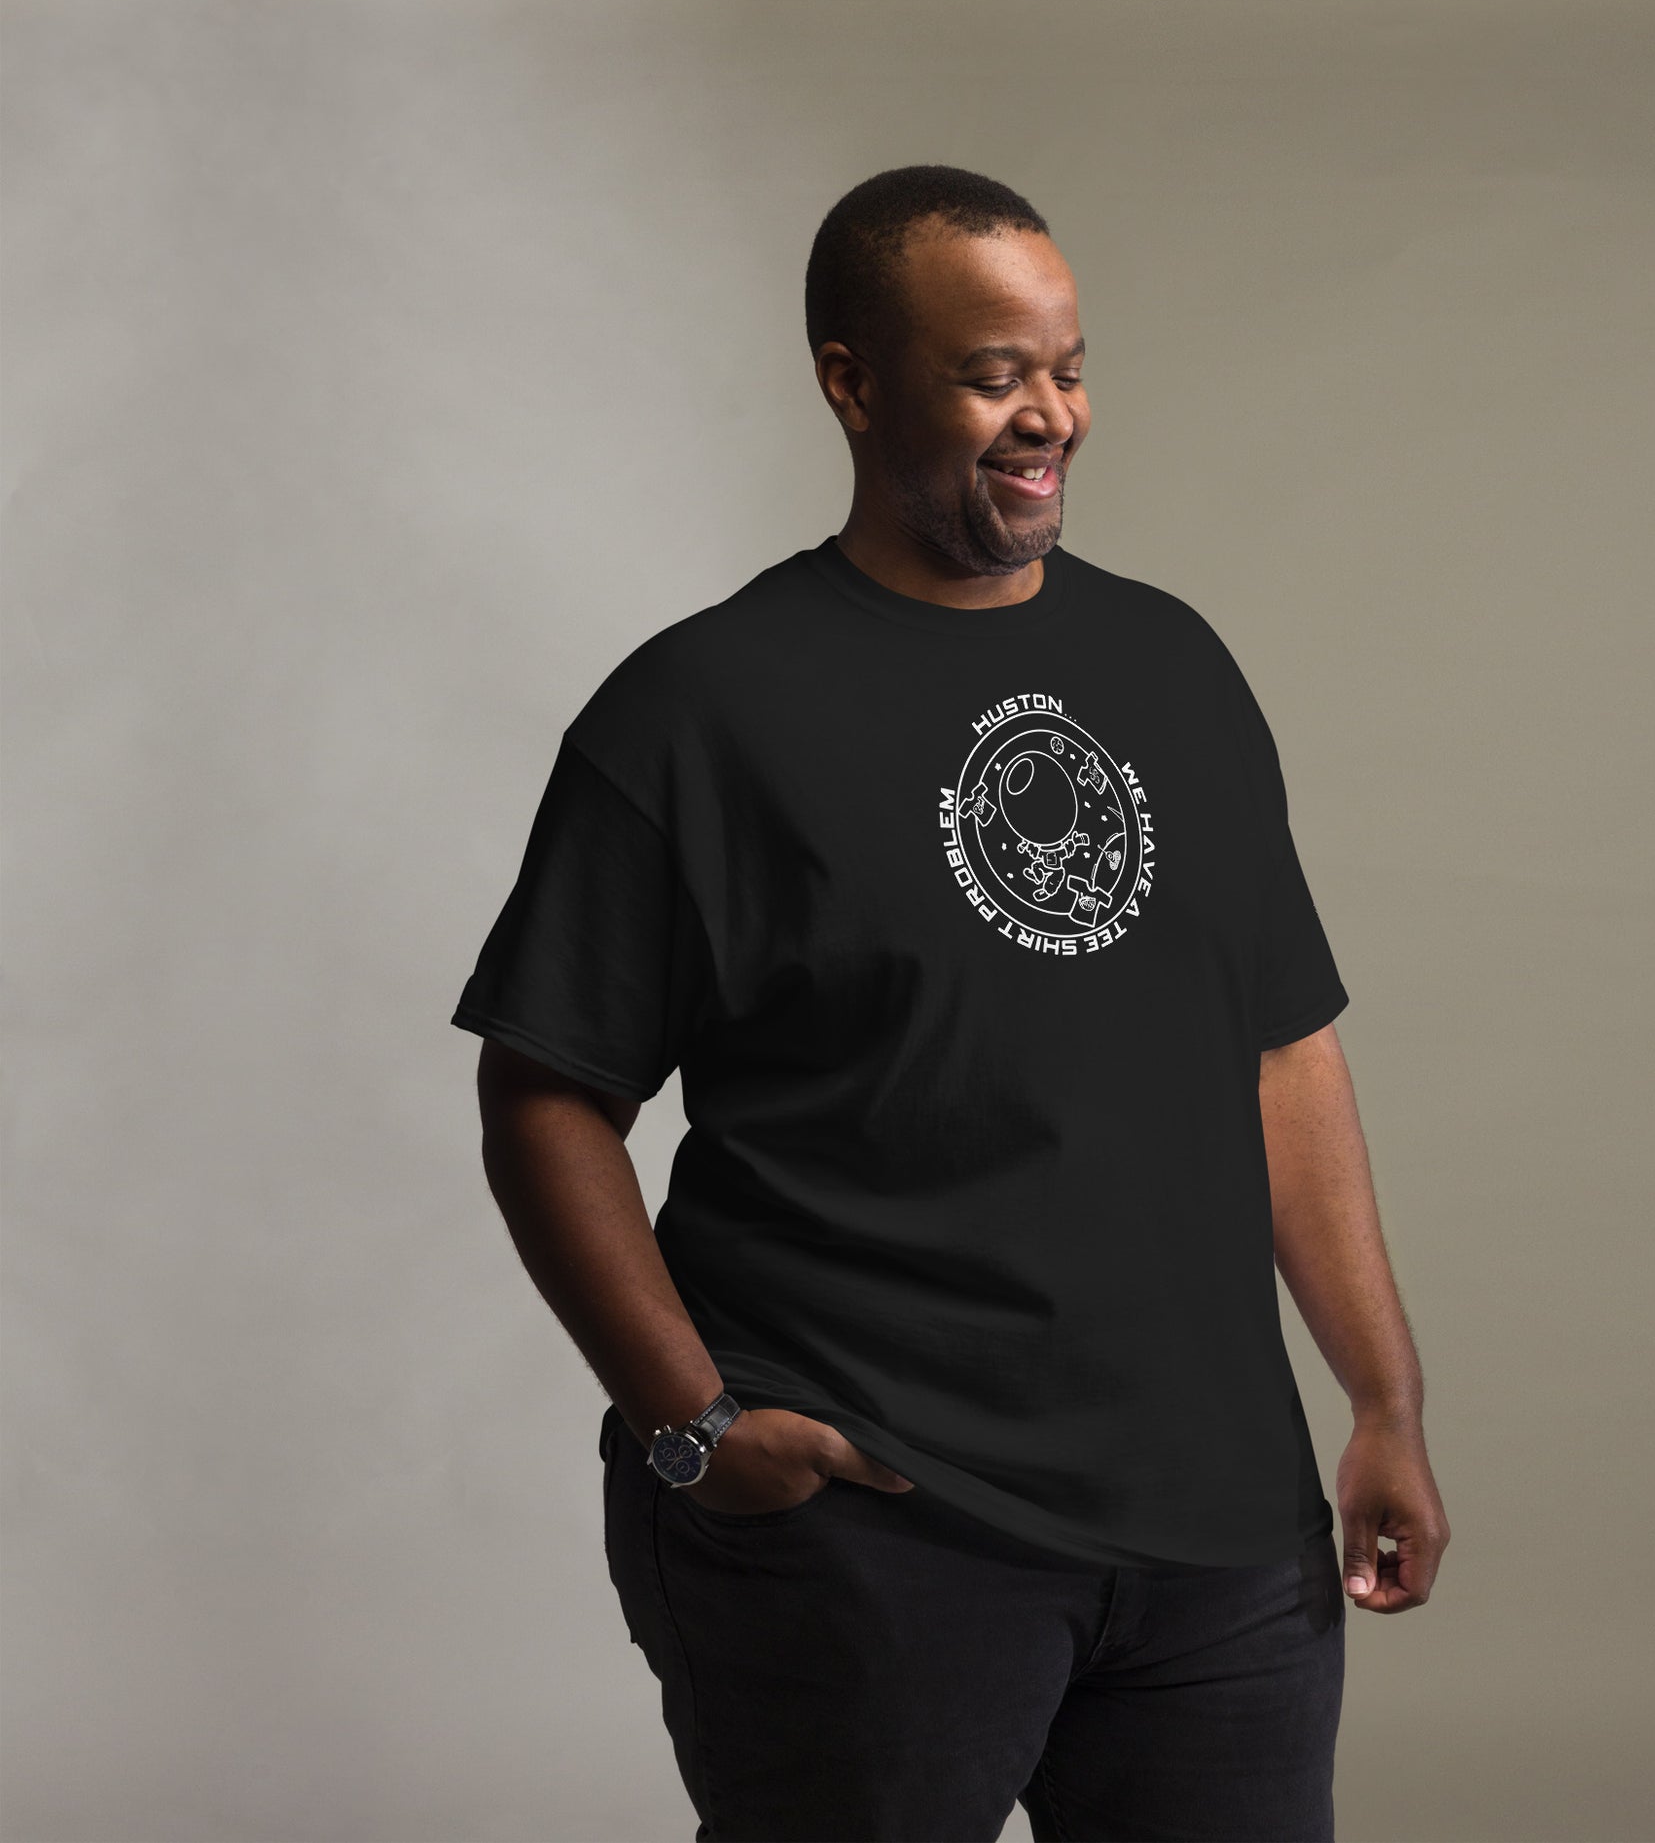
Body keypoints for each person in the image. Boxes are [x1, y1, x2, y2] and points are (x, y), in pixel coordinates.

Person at [452, 163, 1449, 1843]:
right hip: (873, 1534)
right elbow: (545, 1094)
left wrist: (1382, 1402)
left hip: (1218, 1544)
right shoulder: (699, 710)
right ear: (851, 379)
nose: (1045, 413)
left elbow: (1281, 1049)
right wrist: (693, 1428)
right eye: (994, 373)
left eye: (1064, 366)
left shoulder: (1178, 668)